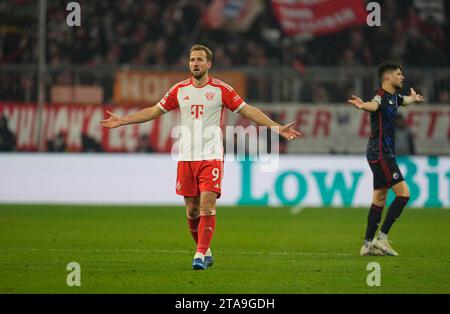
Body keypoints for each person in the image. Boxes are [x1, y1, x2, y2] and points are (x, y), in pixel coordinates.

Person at [100, 44, 301, 270]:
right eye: (192, 60)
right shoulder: (179, 90)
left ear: (209, 64)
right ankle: (206, 250)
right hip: (186, 156)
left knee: (207, 205)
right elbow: (154, 111)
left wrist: (276, 128)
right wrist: (123, 120)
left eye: (199, 60)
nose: (195, 63)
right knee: (192, 210)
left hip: (211, 156)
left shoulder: (221, 90)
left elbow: (248, 110)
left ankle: (198, 255)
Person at [348, 61, 424, 256]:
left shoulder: (394, 97)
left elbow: (403, 100)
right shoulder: (380, 96)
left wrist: (413, 98)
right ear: (388, 77)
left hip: (380, 153)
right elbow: (373, 105)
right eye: (399, 73)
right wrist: (362, 105)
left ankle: (367, 244)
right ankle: (381, 239)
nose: (402, 77)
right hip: (381, 153)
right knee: (404, 194)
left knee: (380, 197)